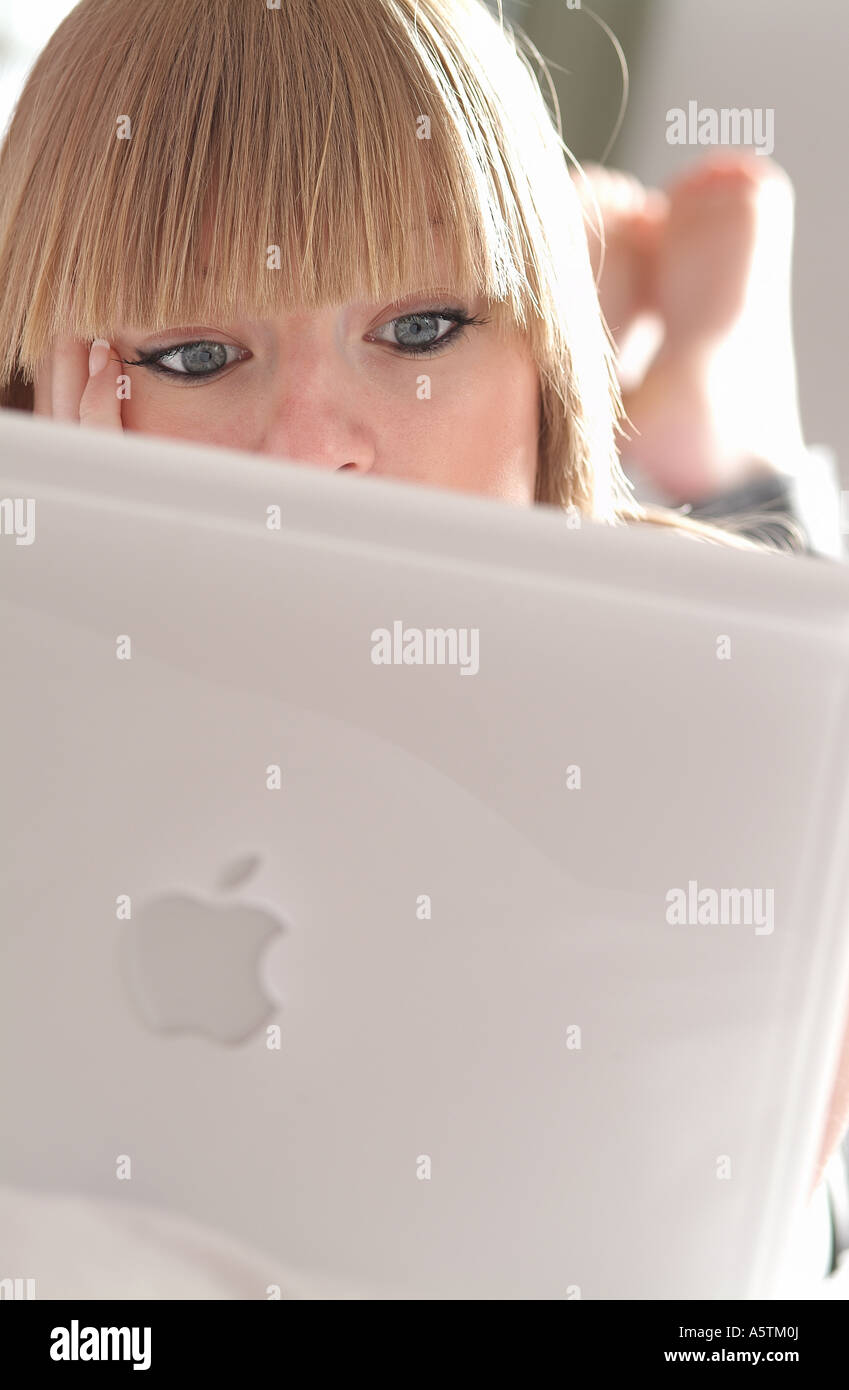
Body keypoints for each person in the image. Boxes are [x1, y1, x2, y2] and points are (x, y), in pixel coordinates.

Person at [0, 0, 846, 1290]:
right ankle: (698, 425)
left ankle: (712, 422)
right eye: (193, 352)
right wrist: (79, 604)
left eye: (419, 332)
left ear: (544, 361)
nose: (310, 448)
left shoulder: (747, 758)